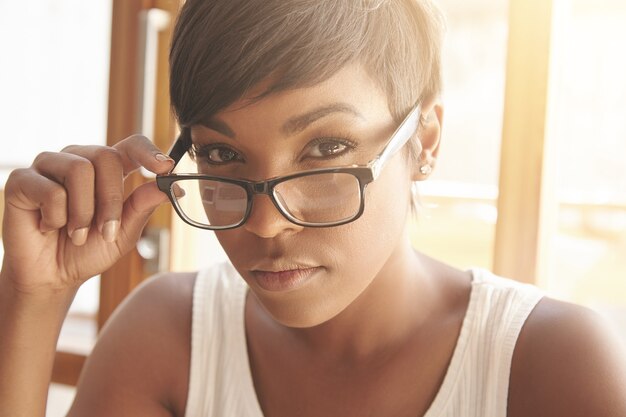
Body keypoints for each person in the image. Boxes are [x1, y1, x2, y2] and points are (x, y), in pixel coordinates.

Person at [1, 0, 625, 416]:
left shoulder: (553, 366)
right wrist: (34, 298)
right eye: (221, 156)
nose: (266, 222)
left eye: (326, 148)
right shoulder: (169, 340)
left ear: (425, 142)